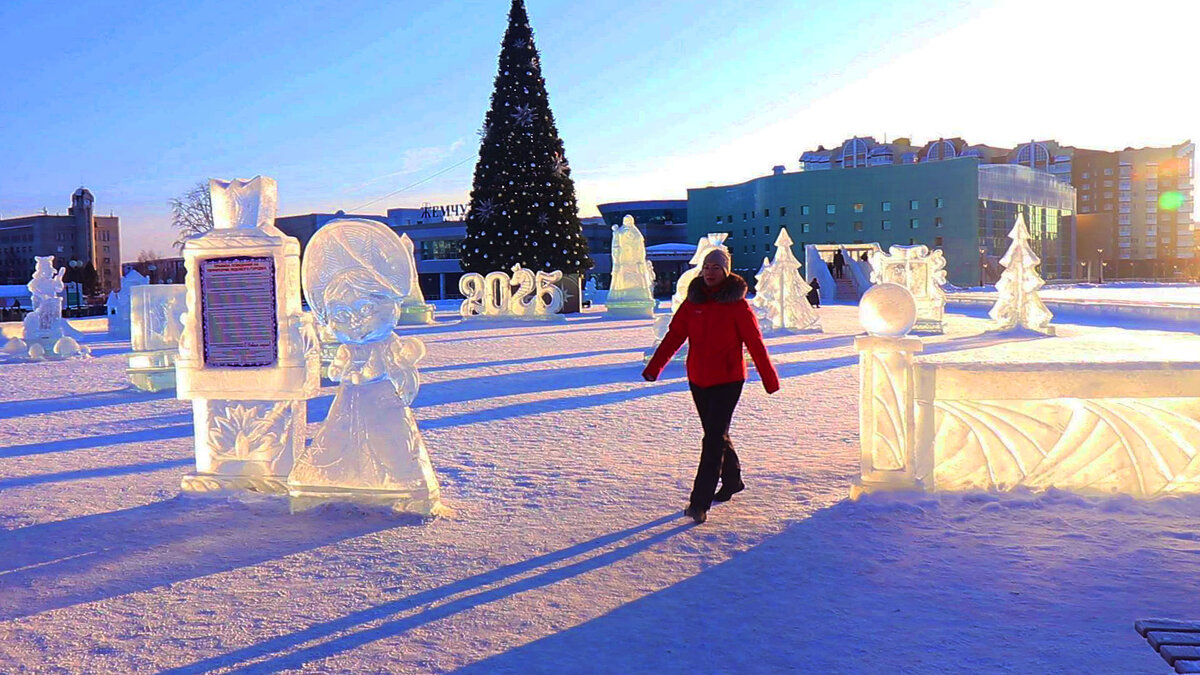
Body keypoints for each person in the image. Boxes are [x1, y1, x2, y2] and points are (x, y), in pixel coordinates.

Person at [642, 249, 780, 524]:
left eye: (716, 267)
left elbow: (755, 343)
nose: (709, 271)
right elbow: (674, 336)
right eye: (707, 266)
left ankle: (699, 502)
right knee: (716, 434)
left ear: (726, 271)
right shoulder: (692, 302)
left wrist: (769, 378)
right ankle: (733, 480)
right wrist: (654, 367)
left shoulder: (738, 306)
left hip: (729, 380)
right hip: (698, 379)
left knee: (713, 439)